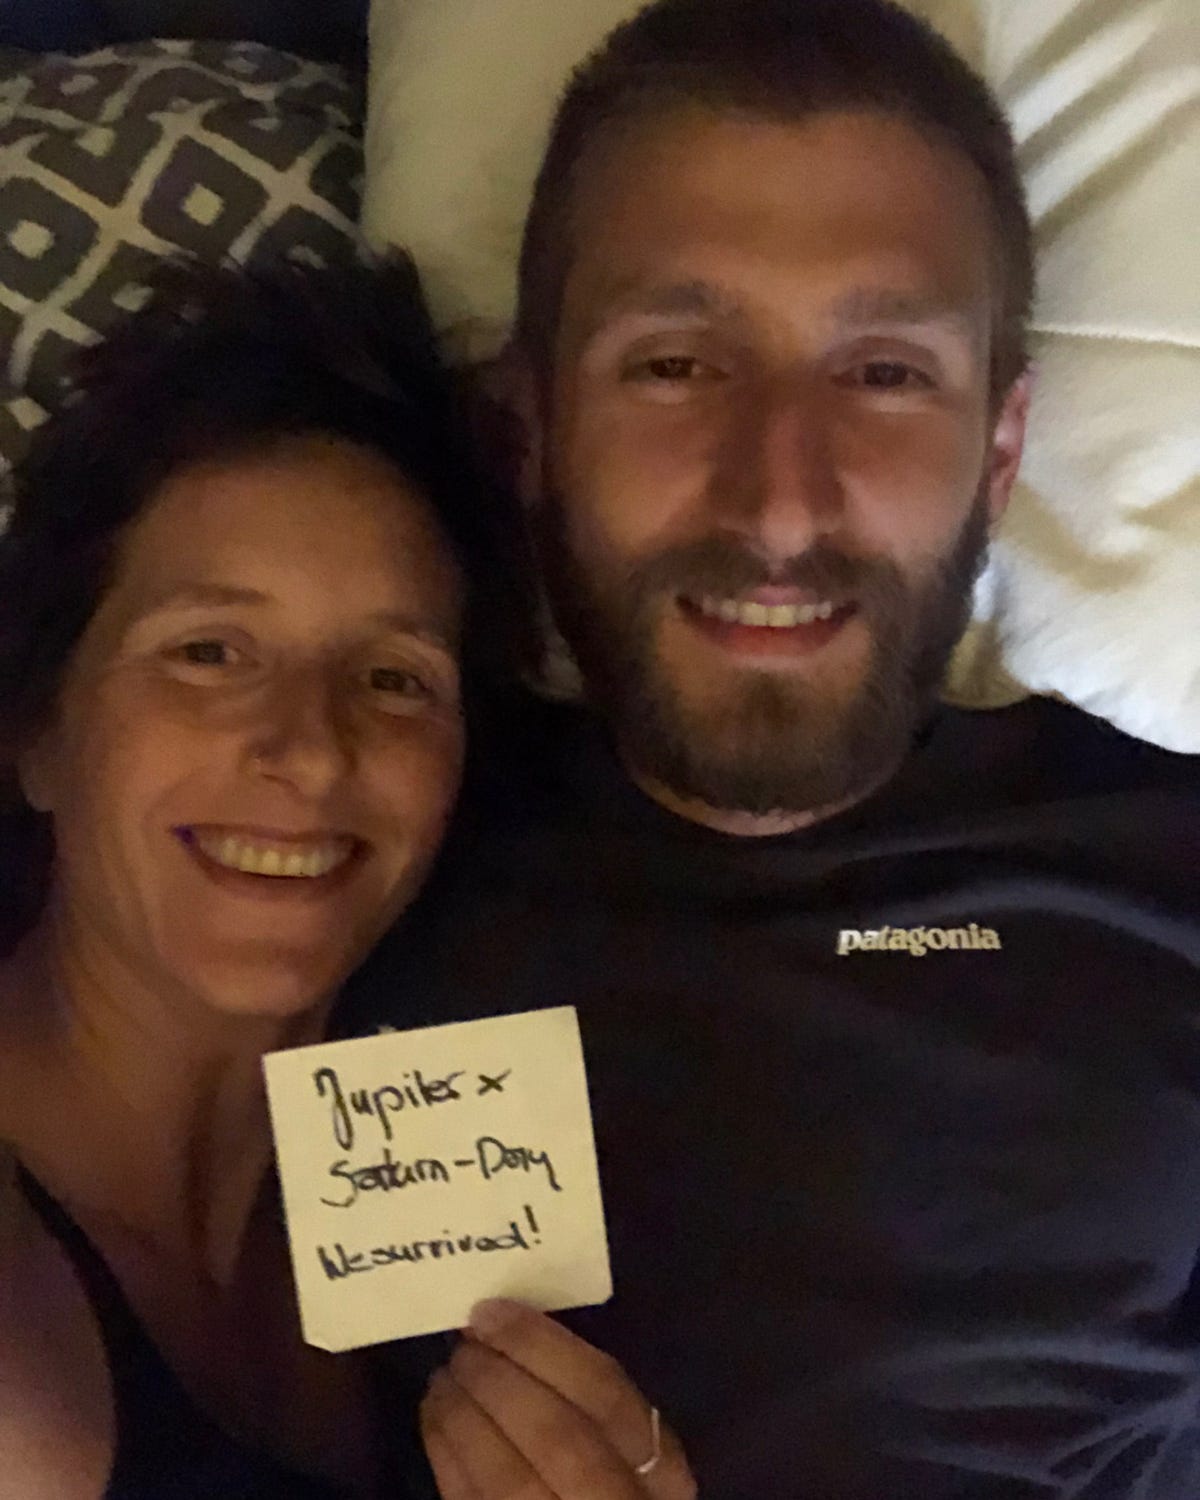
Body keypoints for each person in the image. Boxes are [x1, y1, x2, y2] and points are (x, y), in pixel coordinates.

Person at [340, 1, 1200, 1496]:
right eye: (676, 364)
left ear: (1000, 451)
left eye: (882, 375)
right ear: (529, 424)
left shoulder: (1172, 872)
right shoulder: (331, 847)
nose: (781, 505)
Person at [0, 258, 696, 1500]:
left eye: (393, 678)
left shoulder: (421, 1216)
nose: (311, 749)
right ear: (40, 732)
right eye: (209, 652)